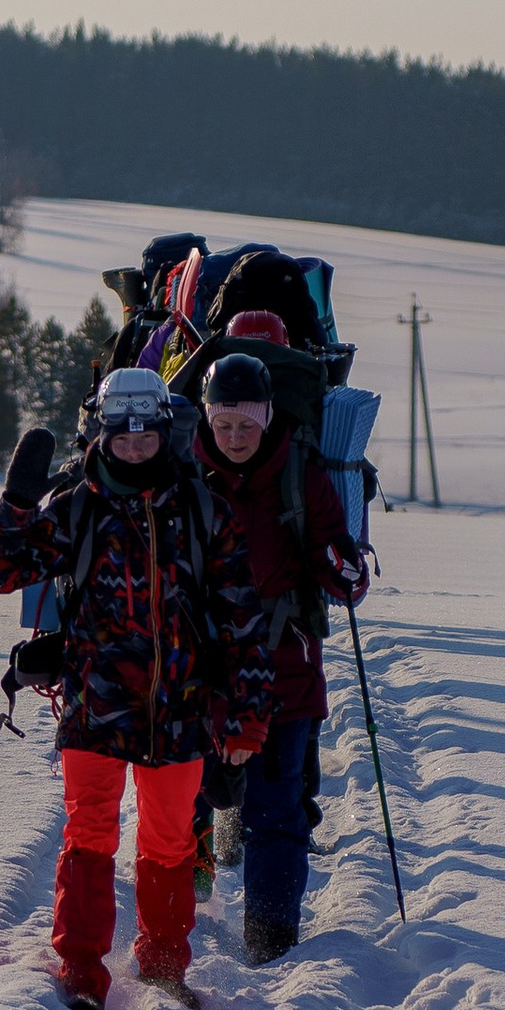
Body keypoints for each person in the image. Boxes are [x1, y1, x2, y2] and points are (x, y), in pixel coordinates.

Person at [0, 364, 272, 1010]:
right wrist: (18, 502)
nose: (135, 449)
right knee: (89, 833)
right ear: (100, 434)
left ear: (166, 433)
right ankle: (81, 967)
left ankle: (164, 965)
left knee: (170, 843)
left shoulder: (202, 511)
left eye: (146, 437)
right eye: (122, 437)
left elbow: (243, 621)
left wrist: (247, 712)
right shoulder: (74, 507)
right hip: (95, 706)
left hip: (181, 710)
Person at [191, 343, 369, 961]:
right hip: (197, 671)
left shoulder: (300, 474)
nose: (236, 437)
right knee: (185, 802)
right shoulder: (183, 474)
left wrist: (344, 572)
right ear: (207, 419)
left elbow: (333, 551)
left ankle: (271, 943)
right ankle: (184, 918)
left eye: (246, 424)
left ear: (268, 418)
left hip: (282, 669)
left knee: (278, 812)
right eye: (224, 424)